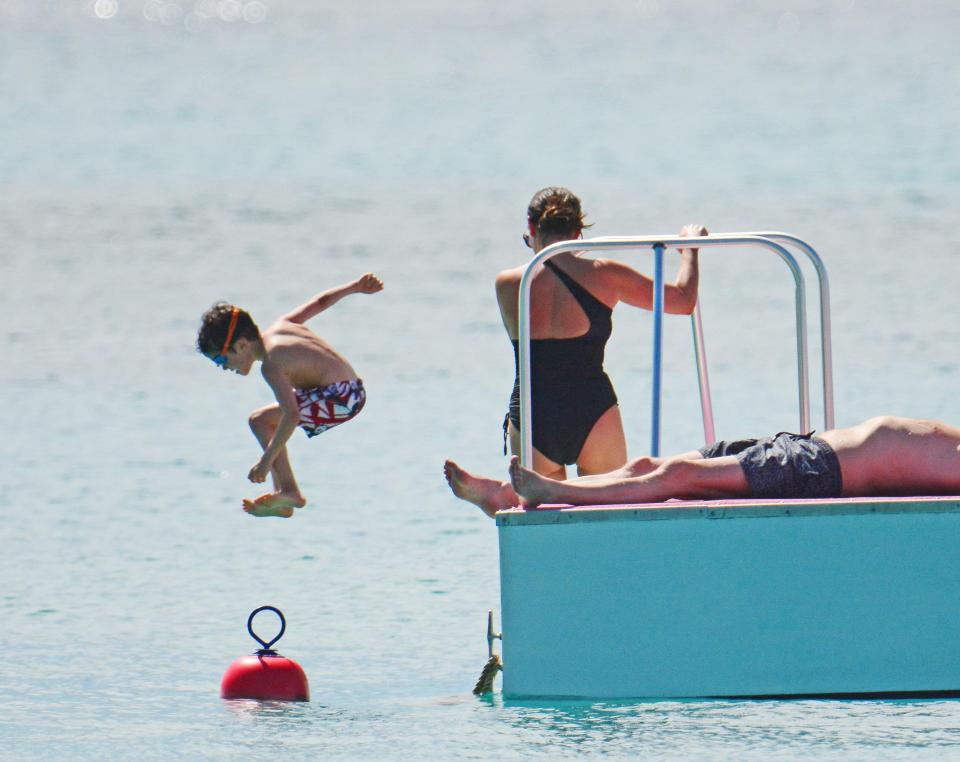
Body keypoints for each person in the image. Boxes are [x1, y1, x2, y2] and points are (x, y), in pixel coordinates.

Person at [495, 186, 706, 480]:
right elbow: (683, 300)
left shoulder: (507, 283)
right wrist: (690, 251)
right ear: (579, 230)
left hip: (533, 413)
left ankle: (495, 496)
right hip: (593, 411)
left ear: (531, 227)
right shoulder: (604, 274)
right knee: (606, 510)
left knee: (543, 517)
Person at [445, 416, 960, 517]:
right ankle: (513, 495)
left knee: (678, 480)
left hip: (817, 469)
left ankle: (548, 494)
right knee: (652, 464)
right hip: (805, 448)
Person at [196, 273, 383, 518]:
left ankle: (289, 492)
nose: (222, 367)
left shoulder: (271, 365)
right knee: (260, 419)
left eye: (221, 359)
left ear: (241, 345)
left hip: (340, 399)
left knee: (261, 421)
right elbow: (321, 302)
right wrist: (355, 287)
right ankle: (283, 494)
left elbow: (292, 415)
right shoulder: (282, 325)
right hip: (351, 390)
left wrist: (265, 461)